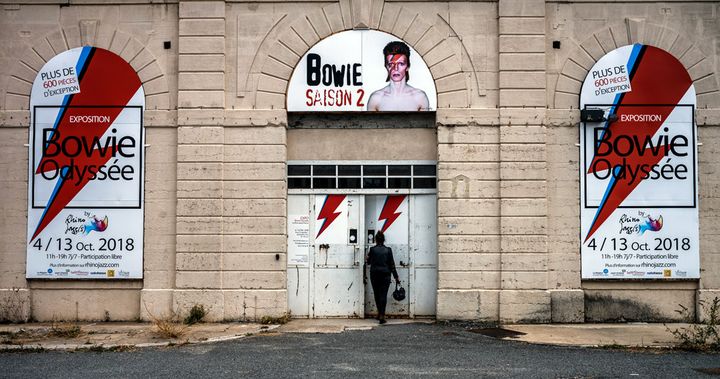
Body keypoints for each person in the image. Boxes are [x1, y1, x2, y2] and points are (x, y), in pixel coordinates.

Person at [367, 41, 430, 112]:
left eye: (401, 64)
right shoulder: (376, 98)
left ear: (408, 66)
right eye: (391, 64)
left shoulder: (419, 97)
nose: (395, 68)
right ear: (386, 66)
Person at [366, 231, 400, 324]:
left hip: (375, 274)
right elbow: (392, 264)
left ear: (376, 240)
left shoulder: (372, 250)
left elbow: (368, 262)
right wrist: (396, 277)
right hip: (385, 274)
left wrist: (367, 258)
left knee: (377, 294)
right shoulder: (388, 250)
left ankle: (379, 313)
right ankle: (382, 315)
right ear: (383, 240)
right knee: (383, 295)